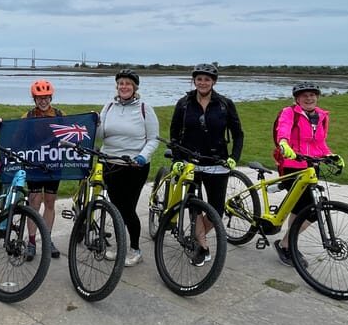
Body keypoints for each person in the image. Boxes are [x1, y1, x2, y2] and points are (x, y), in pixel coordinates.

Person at [170, 63, 244, 266]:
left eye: (207, 79)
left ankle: (195, 235)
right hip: (190, 162)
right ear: (194, 80)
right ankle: (202, 246)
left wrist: (234, 158)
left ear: (214, 82)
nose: (203, 82)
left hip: (217, 163)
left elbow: (238, 134)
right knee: (194, 208)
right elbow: (174, 135)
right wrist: (177, 160)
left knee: (216, 211)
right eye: (199, 79)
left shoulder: (225, 104)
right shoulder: (184, 103)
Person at [273, 81, 343, 267]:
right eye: (304, 95)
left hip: (312, 166)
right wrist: (284, 144)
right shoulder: (289, 113)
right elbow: (283, 129)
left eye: (312, 94)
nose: (309, 98)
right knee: (306, 207)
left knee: (308, 209)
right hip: (291, 164)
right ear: (297, 99)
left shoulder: (321, 116)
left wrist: (330, 155)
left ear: (317, 97)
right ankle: (287, 245)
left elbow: (320, 143)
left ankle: (286, 243)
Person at [100, 69, 159, 266]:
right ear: (117, 86)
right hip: (111, 164)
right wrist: (93, 124)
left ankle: (135, 249)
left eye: (128, 84)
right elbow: (100, 134)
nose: (124, 86)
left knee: (128, 209)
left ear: (135, 87)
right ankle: (120, 246)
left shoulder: (145, 109)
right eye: (121, 83)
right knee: (116, 208)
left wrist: (142, 156)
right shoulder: (108, 107)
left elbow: (153, 139)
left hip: (134, 166)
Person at [23, 79, 63, 260]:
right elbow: (17, 138)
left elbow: (71, 134)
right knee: (34, 202)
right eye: (39, 98)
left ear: (51, 97)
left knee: (49, 203)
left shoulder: (60, 115)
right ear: (34, 99)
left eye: (46, 97)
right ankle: (31, 242)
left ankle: (47, 240)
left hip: (54, 165)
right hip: (34, 165)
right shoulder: (29, 116)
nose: (43, 101)